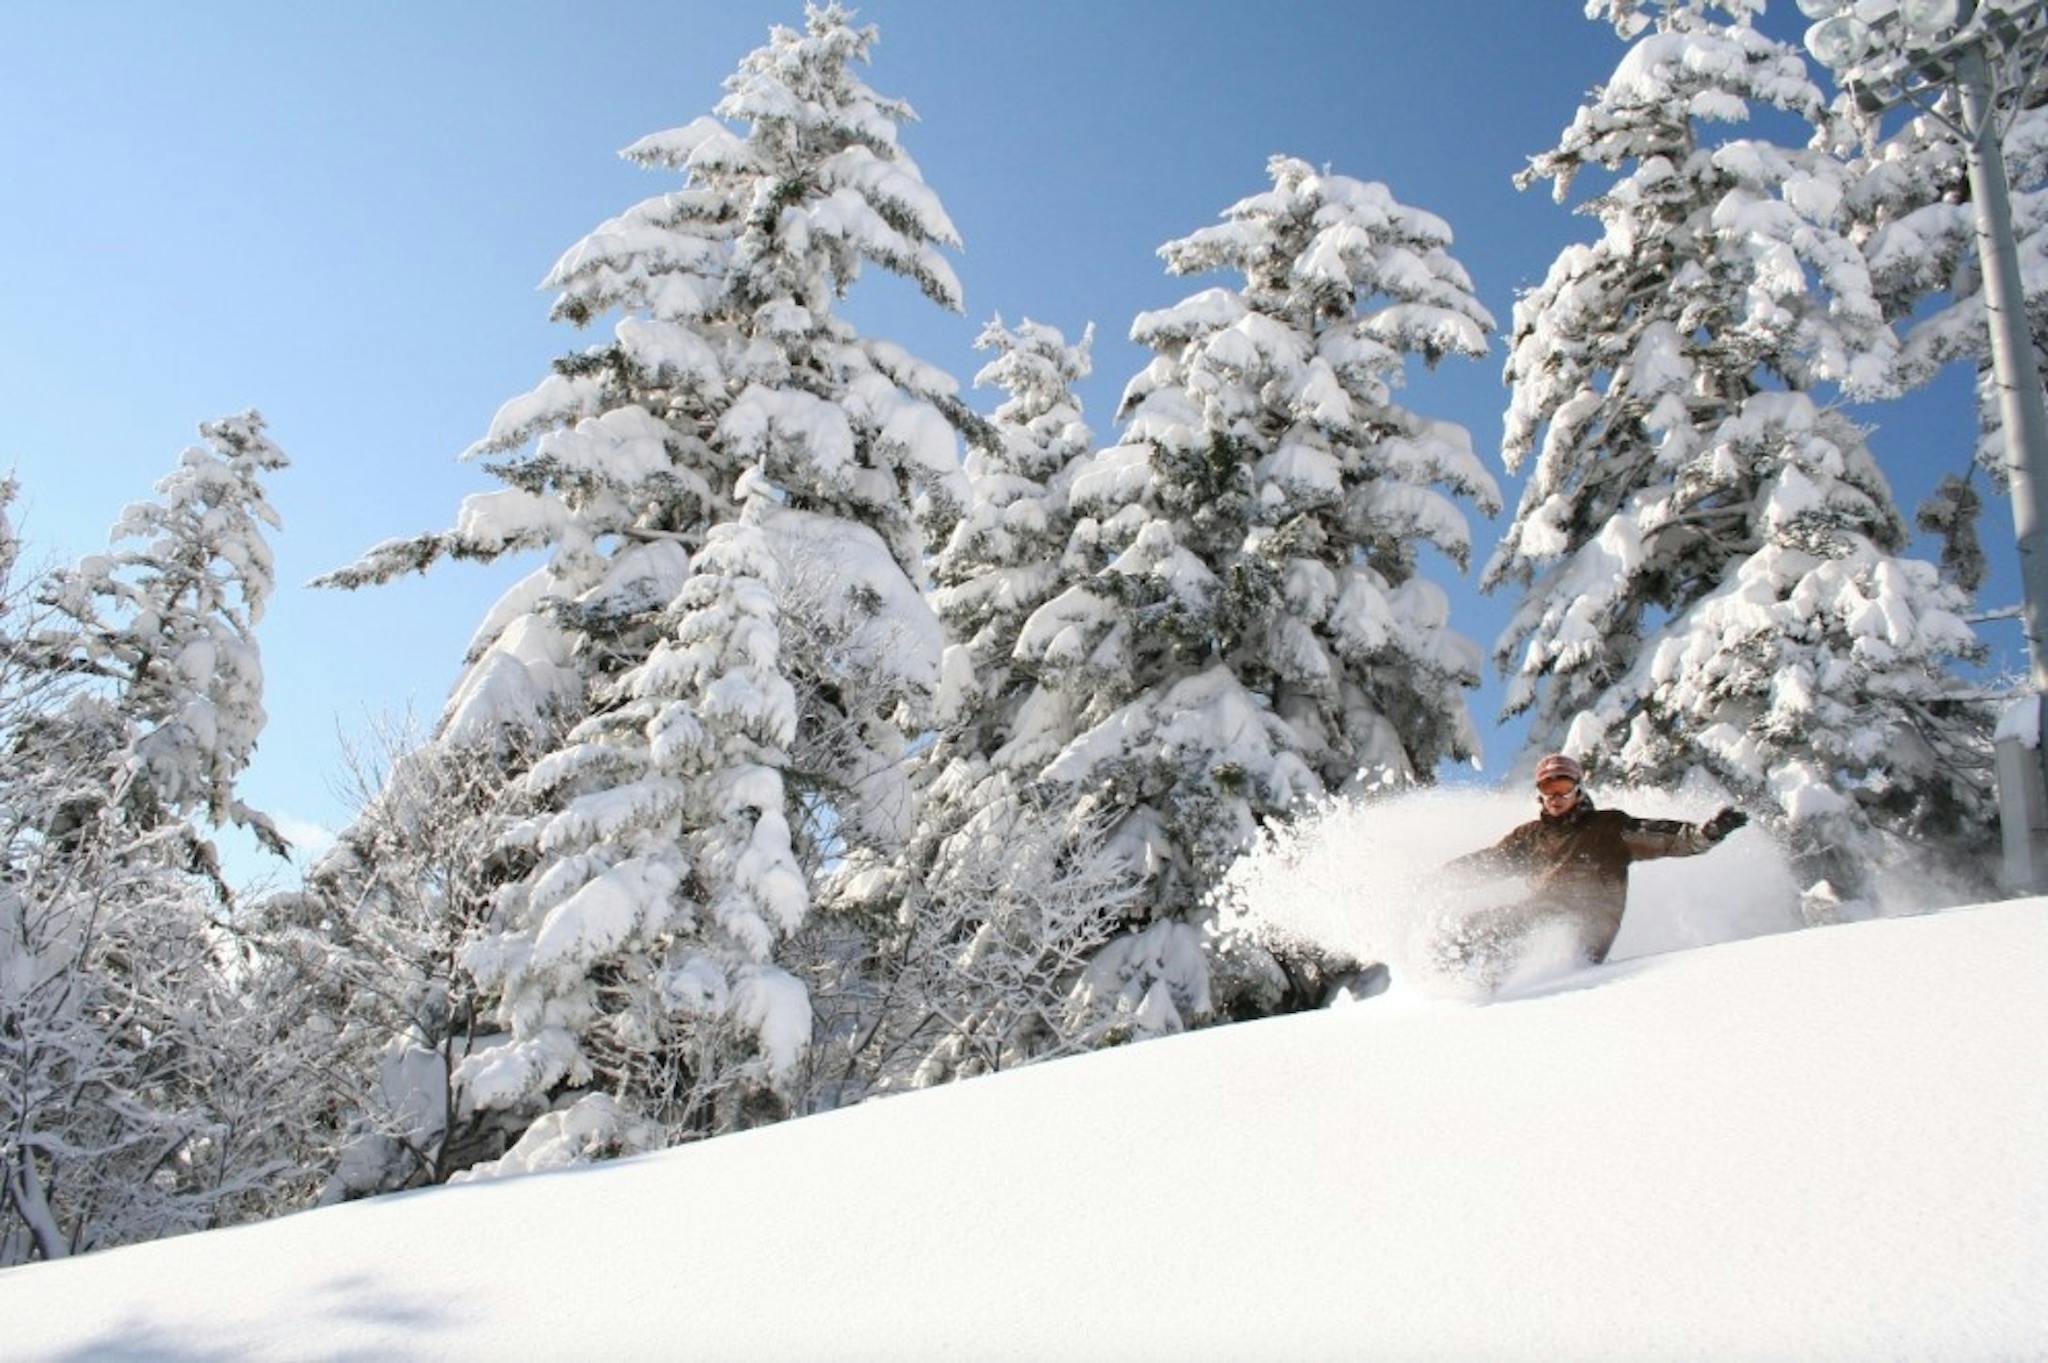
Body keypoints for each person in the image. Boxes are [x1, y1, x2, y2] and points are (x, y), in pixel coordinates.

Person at [1436, 753, 1748, 980]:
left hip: (1586, 926)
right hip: (1535, 915)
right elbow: (1490, 862)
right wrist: (1441, 879)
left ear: (1578, 789)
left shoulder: (1609, 828)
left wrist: (1707, 833)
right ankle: (1440, 984)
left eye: (1563, 787)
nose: (1556, 797)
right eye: (1548, 789)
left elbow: (1667, 838)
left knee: (1513, 932)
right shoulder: (1532, 836)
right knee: (1468, 927)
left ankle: (1490, 981)